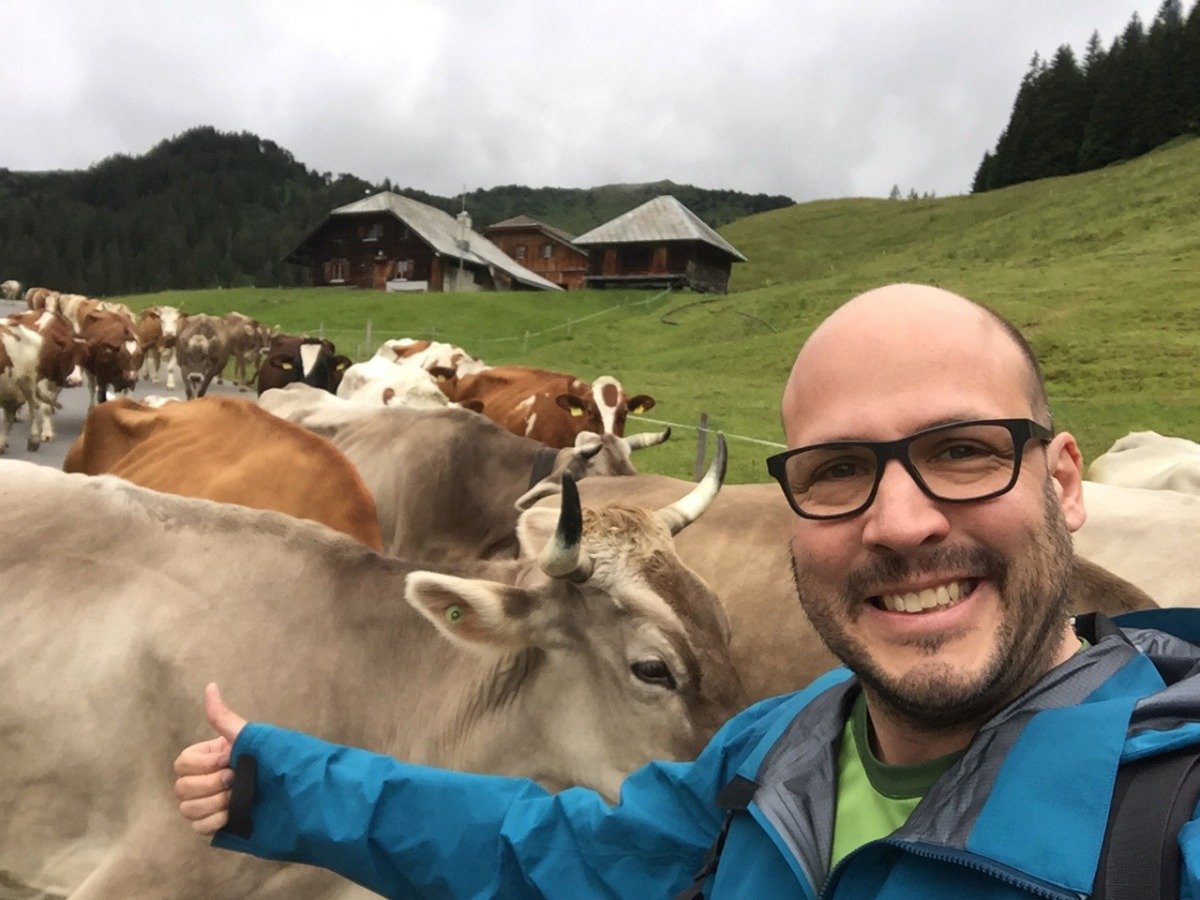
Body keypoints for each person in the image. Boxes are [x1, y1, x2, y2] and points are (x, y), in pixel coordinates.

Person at [175, 283, 1200, 897]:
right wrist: (285, 783)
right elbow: (556, 854)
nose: (902, 522)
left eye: (964, 452)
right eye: (839, 471)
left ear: (1066, 482)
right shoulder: (779, 747)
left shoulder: (1172, 824)